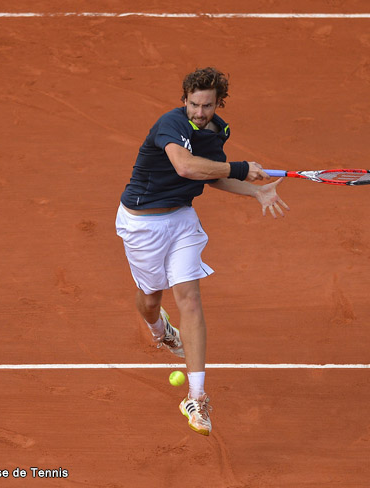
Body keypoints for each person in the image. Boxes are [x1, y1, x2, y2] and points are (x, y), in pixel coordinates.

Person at [115, 67, 289, 435]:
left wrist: (255, 191)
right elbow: (185, 166)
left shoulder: (217, 131)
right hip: (142, 224)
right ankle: (160, 329)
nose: (199, 112)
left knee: (190, 299)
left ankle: (196, 398)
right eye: (193, 104)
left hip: (181, 219)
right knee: (150, 299)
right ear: (184, 100)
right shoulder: (171, 124)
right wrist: (241, 168)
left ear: (218, 104)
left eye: (207, 106)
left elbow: (212, 175)